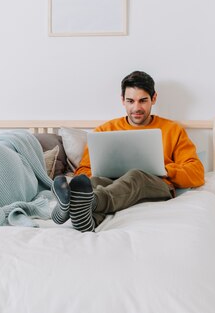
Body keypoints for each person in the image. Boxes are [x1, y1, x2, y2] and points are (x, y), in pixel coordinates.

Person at [51, 70, 205, 232]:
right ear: (122, 100)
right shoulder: (105, 130)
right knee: (94, 182)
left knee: (136, 176)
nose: (136, 107)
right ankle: (87, 221)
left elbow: (196, 173)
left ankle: (75, 206)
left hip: (155, 185)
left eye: (143, 101)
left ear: (153, 99)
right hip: (113, 184)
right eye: (130, 101)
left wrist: (163, 170)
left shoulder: (173, 130)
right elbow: (83, 171)